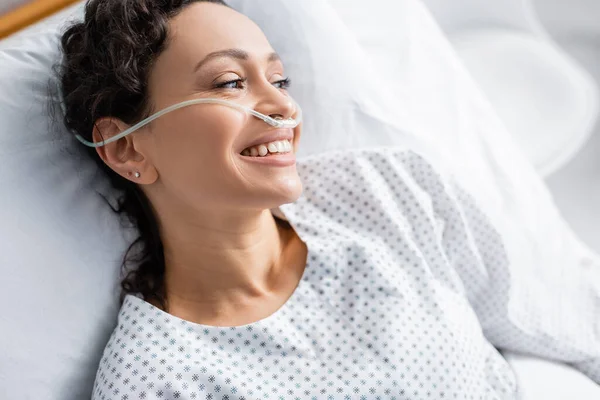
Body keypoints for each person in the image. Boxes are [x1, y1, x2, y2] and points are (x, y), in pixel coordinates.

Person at [58, 1, 600, 399]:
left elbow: (562, 323)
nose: (282, 106)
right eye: (228, 82)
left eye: (280, 78)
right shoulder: (160, 381)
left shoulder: (383, 191)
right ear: (126, 146)